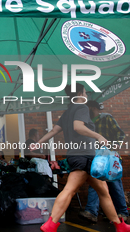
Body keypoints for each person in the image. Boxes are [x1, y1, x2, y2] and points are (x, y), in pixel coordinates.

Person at [32, 83, 130, 232]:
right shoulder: (81, 107)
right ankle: (51, 223)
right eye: (84, 92)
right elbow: (78, 127)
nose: (85, 95)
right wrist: (99, 136)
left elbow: (54, 130)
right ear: (79, 93)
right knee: (70, 190)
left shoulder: (68, 111)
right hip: (84, 156)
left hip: (78, 156)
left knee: (103, 191)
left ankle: (120, 225)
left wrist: (37, 143)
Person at [79, 100, 128, 223]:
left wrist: (115, 146)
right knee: (95, 184)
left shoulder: (106, 118)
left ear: (92, 107)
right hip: (97, 158)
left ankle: (122, 212)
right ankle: (91, 212)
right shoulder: (87, 124)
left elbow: (120, 134)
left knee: (115, 185)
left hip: (110, 157)